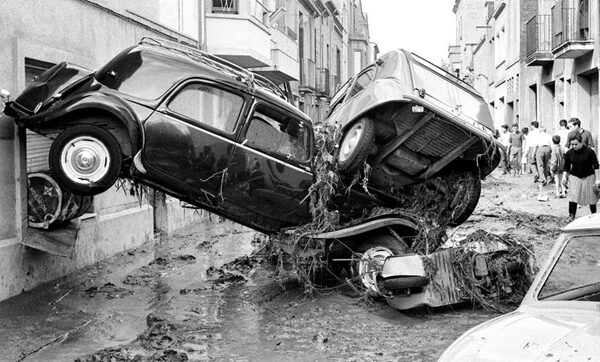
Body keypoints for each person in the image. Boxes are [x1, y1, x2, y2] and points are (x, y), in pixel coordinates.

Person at [562, 133, 600, 221]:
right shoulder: (569, 153)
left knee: (592, 197)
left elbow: (596, 166)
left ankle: (594, 216)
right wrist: (564, 177)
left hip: (589, 176)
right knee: (573, 196)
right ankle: (571, 216)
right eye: (572, 144)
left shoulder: (589, 152)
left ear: (581, 142)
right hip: (575, 176)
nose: (574, 146)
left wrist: (597, 179)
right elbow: (566, 167)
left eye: (576, 144)